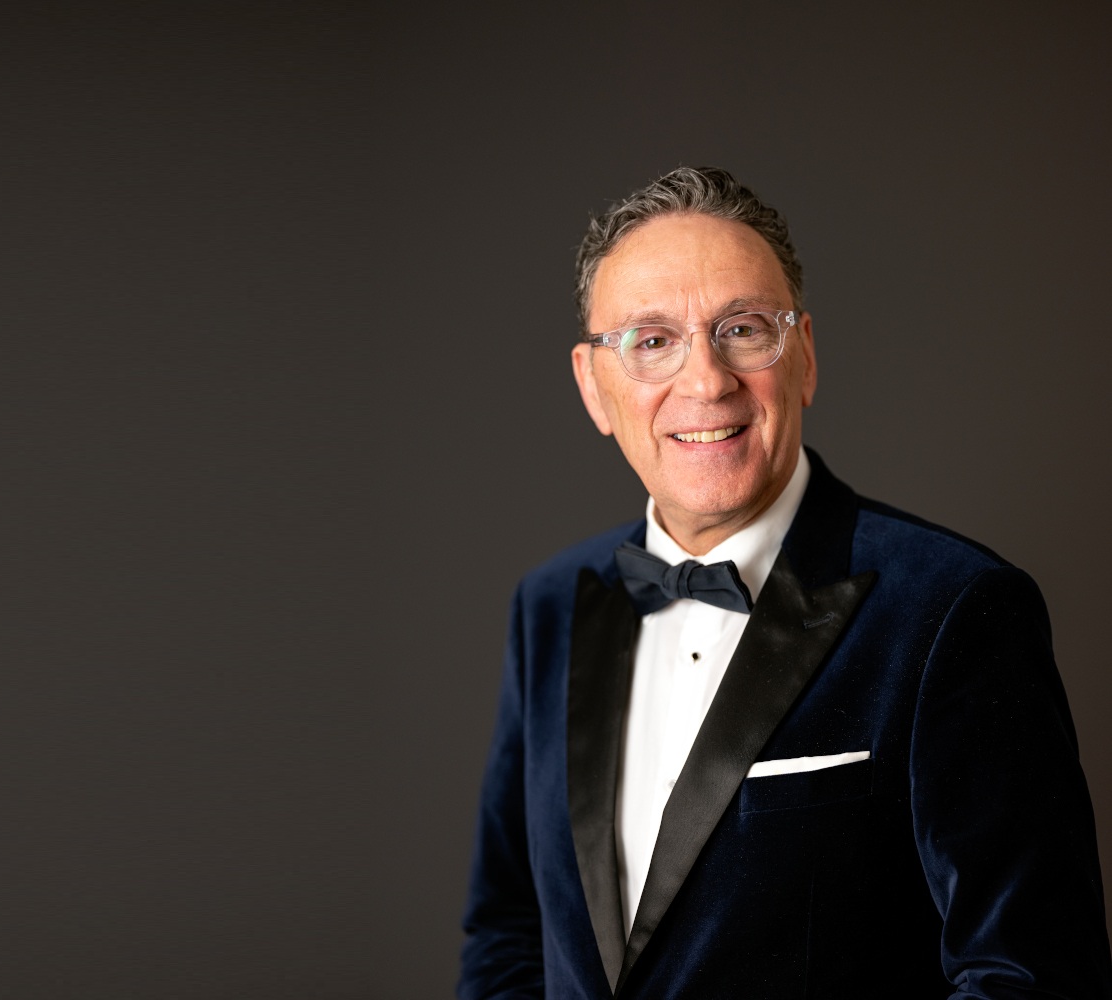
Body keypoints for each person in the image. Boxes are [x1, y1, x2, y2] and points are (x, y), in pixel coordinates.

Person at [457, 166, 1112, 999]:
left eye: (743, 329)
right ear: (594, 386)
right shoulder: (548, 605)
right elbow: (508, 936)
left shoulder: (956, 607)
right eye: (652, 341)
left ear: (803, 357)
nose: (706, 381)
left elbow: (1029, 977)